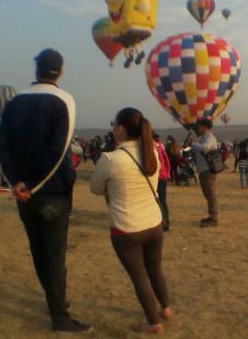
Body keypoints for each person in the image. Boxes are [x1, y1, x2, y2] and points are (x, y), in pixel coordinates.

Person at [0, 48, 90, 333]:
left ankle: (56, 300)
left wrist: (17, 183)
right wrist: (34, 185)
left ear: (36, 70)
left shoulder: (13, 103)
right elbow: (58, 150)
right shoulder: (65, 100)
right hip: (53, 192)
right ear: (59, 71)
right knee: (54, 254)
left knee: (38, 252)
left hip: (24, 193)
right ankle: (59, 316)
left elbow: (3, 146)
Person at [90, 108, 172, 334]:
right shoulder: (152, 153)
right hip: (153, 223)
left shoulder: (110, 159)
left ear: (120, 128)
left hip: (127, 228)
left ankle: (154, 322)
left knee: (139, 277)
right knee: (155, 269)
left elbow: (95, 188)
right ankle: (166, 308)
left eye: (114, 125)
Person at [191, 118, 219, 227]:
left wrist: (194, 144)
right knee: (207, 193)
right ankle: (211, 215)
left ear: (204, 126)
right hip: (203, 169)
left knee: (210, 193)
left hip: (208, 169)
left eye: (199, 126)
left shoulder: (210, 138)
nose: (198, 128)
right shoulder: (203, 138)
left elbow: (205, 148)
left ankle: (213, 217)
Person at [153, 133, 171, 231]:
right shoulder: (160, 147)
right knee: (163, 200)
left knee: (158, 200)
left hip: (158, 177)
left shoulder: (154, 148)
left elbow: (157, 163)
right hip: (163, 176)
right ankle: (166, 221)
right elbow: (167, 160)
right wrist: (167, 172)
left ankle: (162, 222)